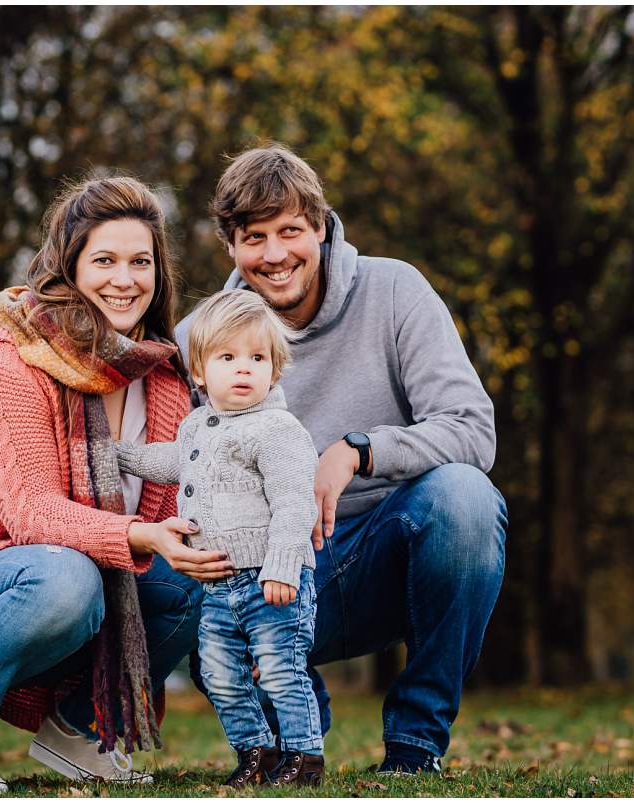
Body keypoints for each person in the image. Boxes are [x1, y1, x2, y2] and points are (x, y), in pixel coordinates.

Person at [0, 176, 228, 794]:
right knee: (66, 579)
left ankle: (77, 732)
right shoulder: (11, 357)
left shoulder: (164, 372)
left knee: (202, 568)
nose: (125, 279)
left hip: (101, 573)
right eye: (105, 261)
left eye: (140, 262)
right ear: (68, 266)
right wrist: (142, 534)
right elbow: (31, 512)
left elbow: (178, 499)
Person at [175, 144, 508, 776]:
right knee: (182, 592)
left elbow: (472, 430)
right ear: (231, 247)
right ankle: (296, 719)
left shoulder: (394, 290)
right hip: (272, 573)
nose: (274, 255)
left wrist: (360, 451)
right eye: (254, 238)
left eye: (290, 232)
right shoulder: (199, 337)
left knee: (465, 498)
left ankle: (414, 745)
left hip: (389, 549)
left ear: (322, 228)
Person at [115, 289, 324, 788]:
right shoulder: (197, 427)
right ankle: (256, 752)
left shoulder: (277, 429)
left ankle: (304, 757)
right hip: (218, 586)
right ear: (201, 373)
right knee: (220, 677)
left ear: (275, 369)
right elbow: (169, 462)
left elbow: (296, 503)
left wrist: (282, 566)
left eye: (257, 358)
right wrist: (119, 454)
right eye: (228, 358)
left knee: (280, 671)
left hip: (271, 582)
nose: (244, 369)